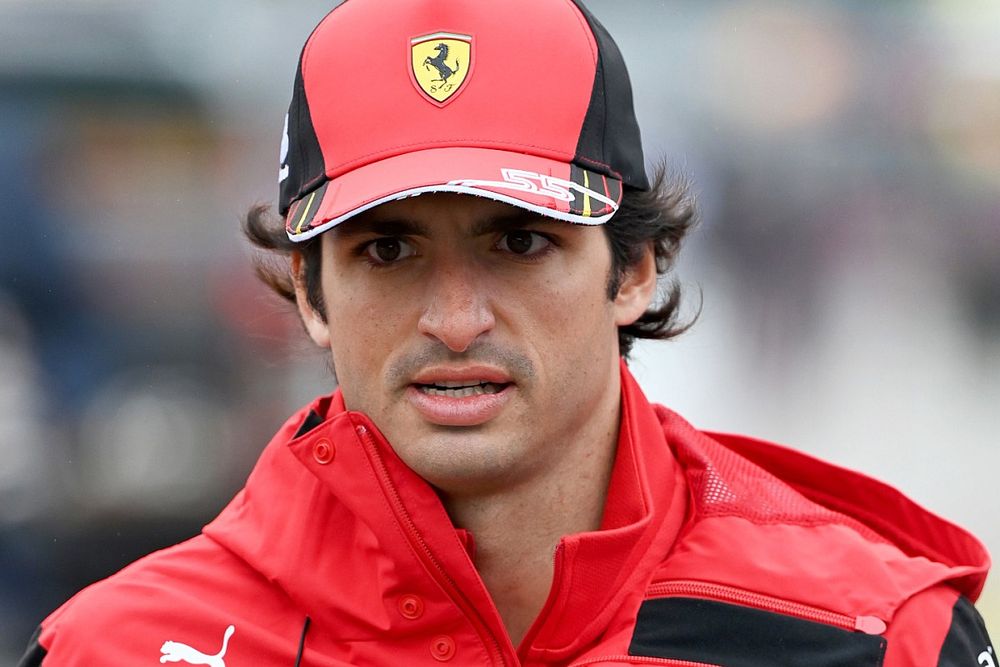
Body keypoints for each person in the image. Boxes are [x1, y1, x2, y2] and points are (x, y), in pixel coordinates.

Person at [19, 0, 994, 665]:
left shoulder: (870, 634)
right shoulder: (127, 646)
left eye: (519, 241)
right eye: (388, 252)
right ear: (309, 291)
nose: (453, 320)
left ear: (635, 266)